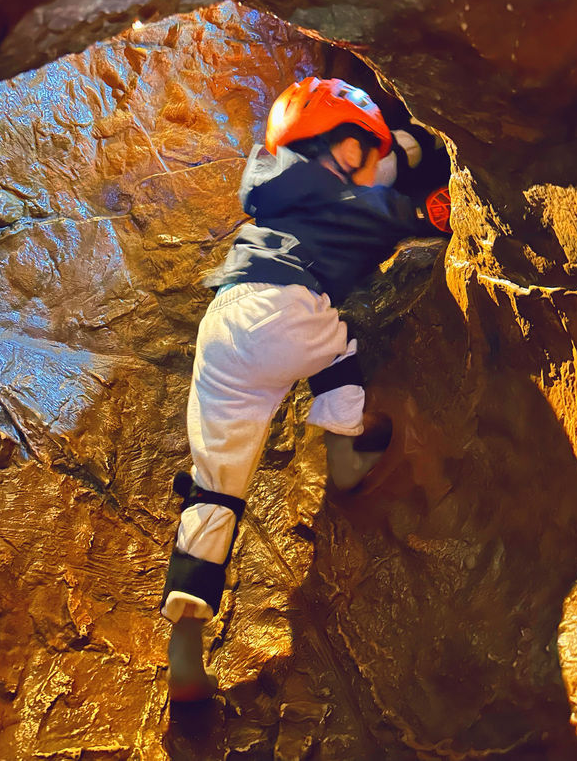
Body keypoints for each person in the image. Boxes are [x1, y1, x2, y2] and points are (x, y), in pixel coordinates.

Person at [160, 77, 452, 701]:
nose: (370, 162)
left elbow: (375, 159)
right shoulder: (345, 198)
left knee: (217, 485)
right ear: (338, 151)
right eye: (361, 150)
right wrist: (427, 205)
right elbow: (392, 214)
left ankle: (184, 647)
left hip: (225, 323)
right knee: (338, 345)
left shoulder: (272, 178)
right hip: (288, 306)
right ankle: (347, 455)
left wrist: (396, 147)